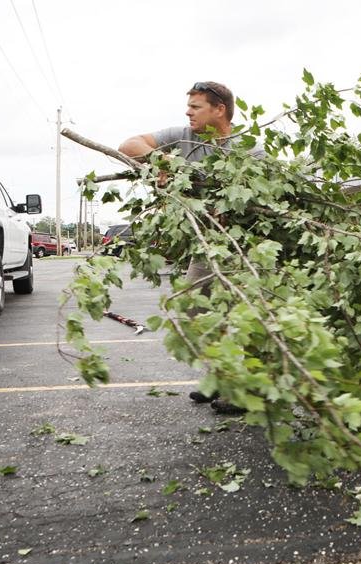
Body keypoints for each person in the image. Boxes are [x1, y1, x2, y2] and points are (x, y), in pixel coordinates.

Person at [118, 81, 248, 413]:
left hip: (243, 247)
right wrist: (160, 160)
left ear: (219, 110)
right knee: (193, 305)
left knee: (238, 316)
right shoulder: (181, 136)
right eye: (188, 106)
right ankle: (217, 378)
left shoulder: (247, 150)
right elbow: (128, 145)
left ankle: (240, 390)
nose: (188, 112)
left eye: (196, 107)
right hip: (206, 244)